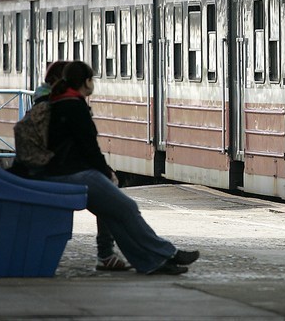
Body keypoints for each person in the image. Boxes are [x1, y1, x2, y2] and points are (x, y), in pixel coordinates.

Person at [40, 61, 199, 275]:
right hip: (73, 174)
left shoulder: (58, 101)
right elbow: (89, 149)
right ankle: (168, 253)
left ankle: (151, 263)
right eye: (92, 79)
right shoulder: (74, 106)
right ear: (86, 82)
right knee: (128, 208)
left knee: (113, 214)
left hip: (59, 172)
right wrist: (107, 174)